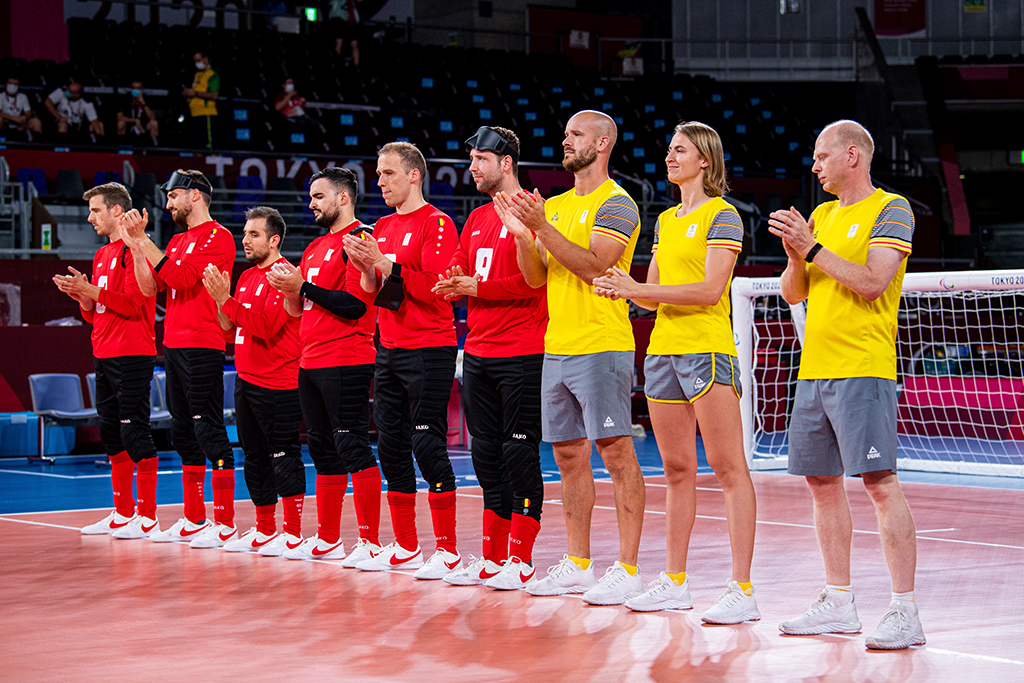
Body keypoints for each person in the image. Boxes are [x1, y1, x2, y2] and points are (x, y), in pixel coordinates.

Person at [592, 121, 759, 623]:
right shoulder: (665, 220)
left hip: (707, 351)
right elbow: (655, 288)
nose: (670, 157)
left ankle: (742, 588)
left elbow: (710, 291)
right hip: (662, 352)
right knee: (677, 470)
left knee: (730, 470)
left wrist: (636, 289)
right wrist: (621, 289)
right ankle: (675, 580)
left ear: (704, 159)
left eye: (679, 150)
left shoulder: (723, 215)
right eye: (669, 150)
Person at [768, 120, 924, 650]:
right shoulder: (821, 216)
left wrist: (811, 249)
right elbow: (794, 294)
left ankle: (905, 610)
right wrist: (796, 253)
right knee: (822, 484)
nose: (814, 166)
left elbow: (872, 281)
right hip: (815, 369)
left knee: (879, 485)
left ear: (852, 156)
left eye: (821, 156)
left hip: (864, 365)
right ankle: (838, 601)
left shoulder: (892, 208)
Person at [494, 109, 645, 605]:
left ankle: (627, 567)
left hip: (602, 344)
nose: (566, 141)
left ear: (602, 144)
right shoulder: (553, 205)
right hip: (557, 346)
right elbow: (538, 278)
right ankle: (579, 563)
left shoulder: (617, 202)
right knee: (566, 455)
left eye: (576, 135)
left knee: (617, 453)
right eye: (565, 134)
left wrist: (541, 227)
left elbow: (596, 266)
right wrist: (522, 235)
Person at [432, 126, 547, 590]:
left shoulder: (535, 212)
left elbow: (533, 282)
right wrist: (453, 277)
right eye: (472, 158)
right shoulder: (476, 218)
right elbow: (460, 267)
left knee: (519, 451)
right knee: (485, 453)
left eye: (481, 159)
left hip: (523, 350)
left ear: (506, 163)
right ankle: (496, 554)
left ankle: (522, 558)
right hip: (477, 350)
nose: (473, 167)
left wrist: (474, 287)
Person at [341, 142, 462, 578]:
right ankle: (408, 545)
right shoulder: (382, 227)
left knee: (426, 443)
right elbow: (375, 293)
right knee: (390, 446)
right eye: (378, 174)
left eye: (388, 173)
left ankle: (447, 549)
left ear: (413, 175)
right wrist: (367, 269)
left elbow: (435, 285)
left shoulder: (438, 223)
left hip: (430, 346)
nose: (380, 182)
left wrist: (383, 263)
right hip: (388, 347)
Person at [265, 167, 382, 563]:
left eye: (318, 196)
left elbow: (355, 306)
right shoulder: (315, 248)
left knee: (352, 445)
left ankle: (369, 541)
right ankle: (329, 537)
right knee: (322, 449)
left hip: (347, 358)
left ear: (343, 198)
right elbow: (301, 309)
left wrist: (303, 287)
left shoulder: (361, 238)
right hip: (310, 358)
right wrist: (289, 291)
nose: (311, 204)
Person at [119, 169, 239, 548]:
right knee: (183, 432)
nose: (168, 204)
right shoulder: (176, 239)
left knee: (208, 428)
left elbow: (185, 278)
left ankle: (225, 522)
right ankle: (194, 517)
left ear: (195, 196)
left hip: (203, 342)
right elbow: (151, 285)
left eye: (173, 197)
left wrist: (144, 241)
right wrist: (139, 249)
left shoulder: (219, 238)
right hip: (172, 342)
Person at [53, 182, 159, 539]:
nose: (89, 217)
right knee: (111, 435)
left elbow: (134, 303)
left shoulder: (133, 251)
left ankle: (148, 516)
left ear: (116, 211)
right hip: (103, 352)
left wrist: (92, 291)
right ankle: (122, 512)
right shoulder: (101, 255)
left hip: (132, 353)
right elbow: (96, 313)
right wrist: (82, 296)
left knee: (134, 431)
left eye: (96, 210)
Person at [202, 207, 305, 554]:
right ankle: (264, 528)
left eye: (254, 234)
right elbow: (229, 330)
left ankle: (292, 532)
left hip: (280, 382)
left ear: (274, 239)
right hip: (246, 380)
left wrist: (224, 299)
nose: (244, 240)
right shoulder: (246, 278)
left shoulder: (284, 275)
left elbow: (264, 327)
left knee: (283, 455)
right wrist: (223, 301)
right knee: (254, 457)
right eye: (244, 234)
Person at [184, 53, 219, 150]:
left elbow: (214, 95)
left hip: (206, 114)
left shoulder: (212, 75)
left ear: (206, 59)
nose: (197, 63)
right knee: (197, 147)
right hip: (194, 114)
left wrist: (194, 94)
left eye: (199, 60)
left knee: (210, 147)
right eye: (195, 61)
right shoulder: (197, 74)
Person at [116, 81, 159, 145]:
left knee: (154, 123)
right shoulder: (125, 99)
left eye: (138, 88)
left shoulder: (147, 99)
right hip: (130, 124)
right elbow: (119, 117)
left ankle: (154, 148)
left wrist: (143, 103)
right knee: (120, 124)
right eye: (134, 88)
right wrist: (135, 121)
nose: (135, 90)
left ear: (142, 90)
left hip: (143, 125)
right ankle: (121, 148)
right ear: (131, 90)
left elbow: (152, 117)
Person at [329, 0, 364, 67]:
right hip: (347, 19)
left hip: (340, 19)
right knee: (351, 43)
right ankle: (355, 66)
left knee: (340, 43)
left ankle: (338, 64)